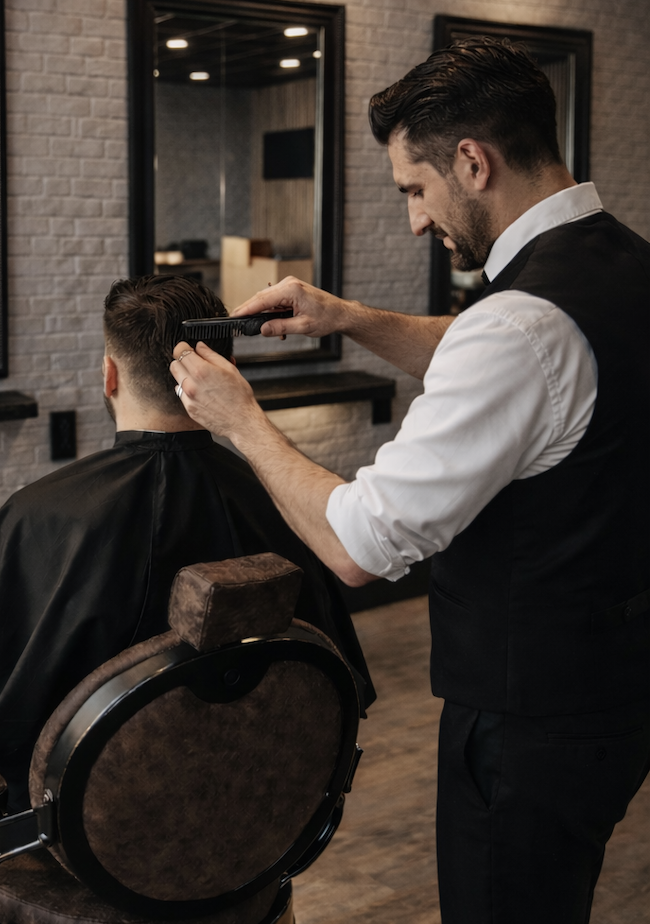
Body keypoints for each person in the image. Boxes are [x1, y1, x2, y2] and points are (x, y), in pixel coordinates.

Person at [169, 38, 650, 924]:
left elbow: (359, 548)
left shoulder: (519, 328)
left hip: (527, 724)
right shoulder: (620, 265)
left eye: (414, 191)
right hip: (614, 684)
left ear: (473, 161)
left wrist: (241, 423)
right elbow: (522, 363)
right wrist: (346, 318)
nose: (415, 222)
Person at [0, 274, 374, 815]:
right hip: (250, 817)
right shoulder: (291, 507)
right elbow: (336, 687)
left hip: (78, 827)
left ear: (109, 375)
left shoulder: (35, 516)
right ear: (226, 375)